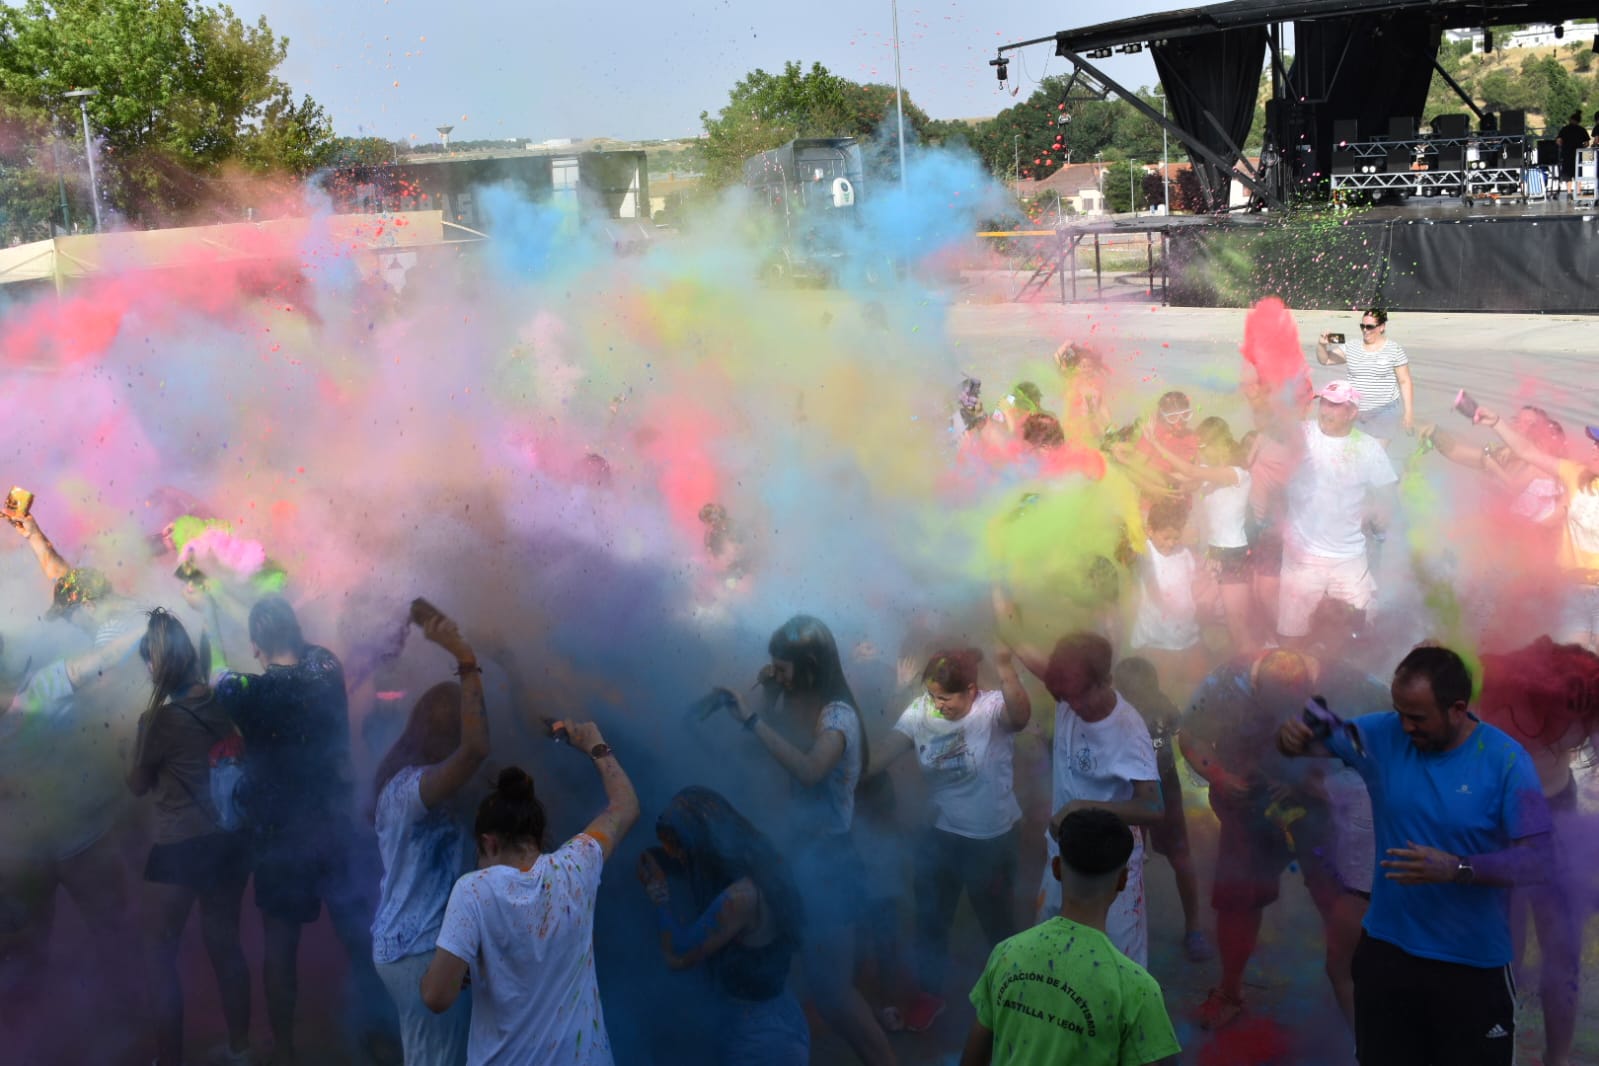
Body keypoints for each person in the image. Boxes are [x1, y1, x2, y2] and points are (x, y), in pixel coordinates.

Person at [1277, 646, 1554, 1066]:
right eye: (1399, 711)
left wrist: (1457, 867)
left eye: (1418, 717)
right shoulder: (1381, 735)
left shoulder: (1507, 762)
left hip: (1471, 967)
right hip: (1387, 956)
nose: (1405, 726)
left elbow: (1539, 860)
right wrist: (1290, 737)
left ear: (1457, 709)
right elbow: (1304, 742)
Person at [210, 594, 395, 1062]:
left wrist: (213, 603)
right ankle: (381, 1040)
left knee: (280, 950)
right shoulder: (325, 668)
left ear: (254, 645)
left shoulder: (244, 692)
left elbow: (214, 670)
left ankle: (287, 1052)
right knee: (360, 939)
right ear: (296, 632)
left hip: (280, 838)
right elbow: (291, 647)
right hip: (334, 825)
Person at [715, 615, 896, 1065]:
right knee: (821, 987)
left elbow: (810, 769)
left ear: (811, 663)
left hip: (831, 866)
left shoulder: (837, 717)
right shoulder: (808, 703)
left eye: (784, 667)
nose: (778, 673)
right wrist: (770, 696)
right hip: (803, 858)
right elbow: (758, 752)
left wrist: (753, 718)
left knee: (834, 994)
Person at [1178, 646, 1387, 1032]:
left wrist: (1324, 782)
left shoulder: (1355, 683)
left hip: (1322, 812)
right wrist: (1221, 777)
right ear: (1257, 685)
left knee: (1340, 900)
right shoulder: (1227, 680)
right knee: (1237, 897)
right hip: (1250, 807)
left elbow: (1393, 740)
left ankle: (1362, 994)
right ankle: (1230, 992)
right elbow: (1190, 735)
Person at [421, 733, 639, 1065]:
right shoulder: (577, 864)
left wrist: (439, 973)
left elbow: (436, 996)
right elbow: (625, 806)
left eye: (478, 854)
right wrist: (595, 744)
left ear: (488, 843)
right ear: (537, 837)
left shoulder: (474, 890)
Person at [866, 647, 1031, 1032]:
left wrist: (1006, 668)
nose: (938, 705)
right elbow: (883, 754)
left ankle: (1017, 998)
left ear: (971, 690)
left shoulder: (991, 709)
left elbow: (1020, 717)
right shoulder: (922, 709)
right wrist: (843, 774)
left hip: (991, 839)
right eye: (933, 695)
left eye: (946, 698)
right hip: (940, 835)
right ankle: (929, 994)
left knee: (997, 923)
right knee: (931, 921)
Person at [127, 609, 252, 1066]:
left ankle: (169, 1060)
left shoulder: (158, 721)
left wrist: (132, 755)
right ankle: (241, 1051)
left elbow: (138, 785)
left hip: (180, 847)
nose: (146, 671)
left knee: (159, 955)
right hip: (229, 843)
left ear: (160, 664)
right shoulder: (224, 703)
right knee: (226, 944)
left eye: (148, 662)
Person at [959, 809, 1180, 1066]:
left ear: (1056, 869)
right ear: (1122, 880)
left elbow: (972, 1057)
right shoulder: (1136, 988)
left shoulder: (1007, 954)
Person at [369, 607, 489, 1066]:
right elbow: (477, 749)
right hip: (418, 950)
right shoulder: (410, 789)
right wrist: (465, 659)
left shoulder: (415, 784)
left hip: (411, 947)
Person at [1004, 624, 1163, 966]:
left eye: (1080, 695)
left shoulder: (1127, 730)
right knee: (1051, 947)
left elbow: (1154, 807)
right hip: (1063, 853)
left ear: (1105, 680)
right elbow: (1015, 636)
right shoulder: (1066, 688)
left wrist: (1082, 807)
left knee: (1115, 959)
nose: (1072, 705)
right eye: (1064, 696)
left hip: (1111, 865)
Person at [1474, 637, 1599, 1066]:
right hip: (1500, 819)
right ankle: (1498, 1048)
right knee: (1504, 944)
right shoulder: (1504, 706)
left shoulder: (1590, 697)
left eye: (1584, 708)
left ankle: (1558, 1058)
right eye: (1568, 706)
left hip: (1558, 810)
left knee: (1562, 945)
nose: (1576, 720)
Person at [637, 786, 809, 1066]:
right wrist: (659, 857)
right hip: (772, 1019)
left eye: (679, 849)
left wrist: (659, 895)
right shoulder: (761, 863)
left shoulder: (740, 898)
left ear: (703, 844)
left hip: (761, 1039)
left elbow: (676, 957)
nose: (679, 858)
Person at [1276, 380, 1398, 645]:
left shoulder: (1368, 448)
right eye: (1324, 402)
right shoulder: (1302, 434)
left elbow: (1388, 490)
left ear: (1352, 412)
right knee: (1292, 639)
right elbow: (1272, 429)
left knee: (1357, 635)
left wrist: (1379, 515)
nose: (1325, 411)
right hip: (1302, 559)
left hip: (1349, 558)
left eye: (1335, 405)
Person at [1475, 404, 1599, 651]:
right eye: (1594, 443)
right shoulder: (1577, 475)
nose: (1594, 448)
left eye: (1598, 444)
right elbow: (1527, 452)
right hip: (1574, 590)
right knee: (1574, 663)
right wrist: (1497, 422)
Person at [1111, 657, 1211, 963]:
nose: (1140, 695)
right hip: (1129, 790)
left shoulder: (1164, 707)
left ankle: (1194, 927)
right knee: (1123, 861)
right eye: (1133, 691)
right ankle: (1121, 928)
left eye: (1144, 689)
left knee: (1181, 859)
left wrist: (1205, 773)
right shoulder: (1113, 713)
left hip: (1165, 789)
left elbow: (1183, 740)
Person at [1138, 416, 1256, 651]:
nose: (1200, 452)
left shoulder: (1236, 474)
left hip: (1234, 555)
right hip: (1212, 553)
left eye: (1204, 446)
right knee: (1203, 616)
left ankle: (1255, 673)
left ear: (1221, 444)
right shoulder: (1206, 473)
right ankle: (1224, 666)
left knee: (1237, 623)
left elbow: (1190, 470)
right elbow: (1175, 477)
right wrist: (1129, 459)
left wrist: (1156, 443)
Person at [1126, 498, 1205, 692]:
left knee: (1197, 679)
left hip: (1186, 630)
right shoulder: (1146, 553)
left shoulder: (1184, 553)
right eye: (1166, 537)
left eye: (1176, 537)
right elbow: (1129, 556)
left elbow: (1192, 584)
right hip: (1157, 634)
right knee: (1161, 684)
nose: (1171, 543)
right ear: (1150, 531)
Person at [1315, 310, 1412, 443]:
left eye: (1370, 327)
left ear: (1382, 327)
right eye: (1363, 326)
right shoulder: (1351, 347)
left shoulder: (1394, 349)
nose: (1365, 330)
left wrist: (1408, 412)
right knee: (1353, 453)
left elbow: (1404, 381)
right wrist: (1321, 345)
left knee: (1376, 454)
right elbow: (1325, 360)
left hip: (1384, 411)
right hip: (1355, 412)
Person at [1556, 111, 1589, 195]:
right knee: (1578, 173)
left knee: (1568, 175)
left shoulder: (1565, 129)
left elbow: (1558, 141)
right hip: (1578, 155)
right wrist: (1582, 147)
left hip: (1567, 154)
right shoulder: (1581, 129)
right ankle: (1578, 192)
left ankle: (1569, 192)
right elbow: (1587, 143)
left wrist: (1562, 147)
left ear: (1571, 120)